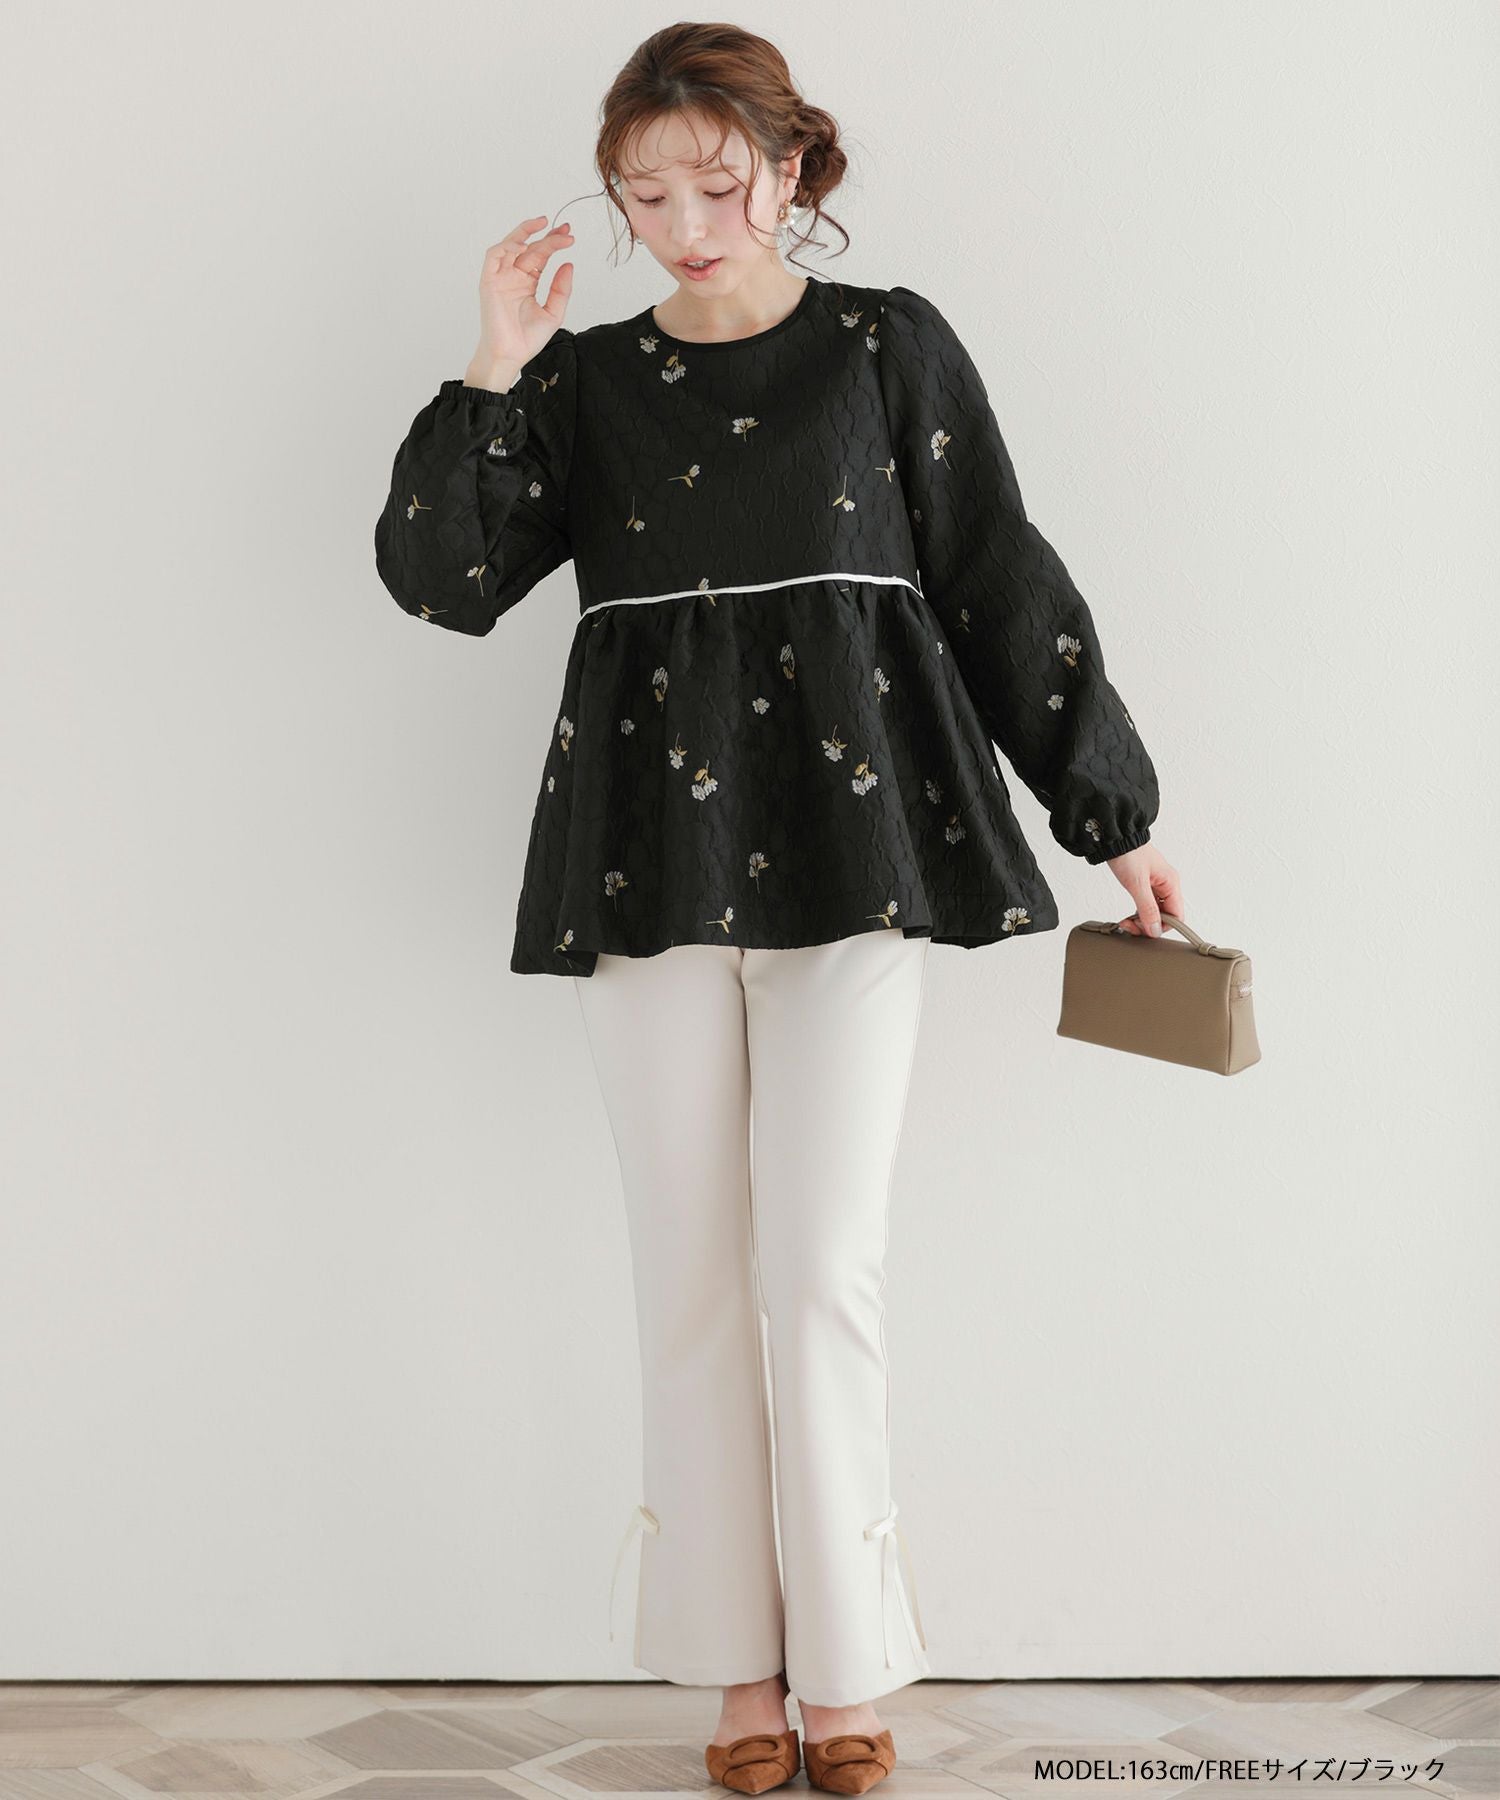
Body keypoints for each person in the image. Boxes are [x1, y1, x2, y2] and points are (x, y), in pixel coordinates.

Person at [374, 23, 1183, 1794]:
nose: (683, 226)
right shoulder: (584, 382)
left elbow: (995, 571)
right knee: (687, 1274)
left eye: (718, 185)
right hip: (643, 865)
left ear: (793, 168)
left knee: (823, 1275)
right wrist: (493, 361)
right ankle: (736, 1673)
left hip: (854, 851)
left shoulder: (889, 345)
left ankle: (846, 1670)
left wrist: (1110, 813)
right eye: (645, 196)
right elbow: (443, 580)